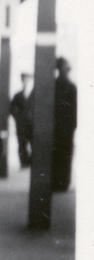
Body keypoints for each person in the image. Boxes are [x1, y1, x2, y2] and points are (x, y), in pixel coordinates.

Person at [52, 58, 77, 192]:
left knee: (58, 154)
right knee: (65, 155)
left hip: (58, 126)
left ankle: (58, 182)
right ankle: (63, 183)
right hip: (66, 127)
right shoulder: (72, 87)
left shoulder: (54, 85)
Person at [9, 73, 34, 170]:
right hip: (21, 125)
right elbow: (12, 108)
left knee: (33, 144)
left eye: (27, 79)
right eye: (24, 79)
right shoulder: (17, 95)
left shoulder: (35, 94)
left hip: (32, 125)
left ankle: (32, 162)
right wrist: (18, 117)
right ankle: (24, 163)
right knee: (22, 144)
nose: (25, 82)